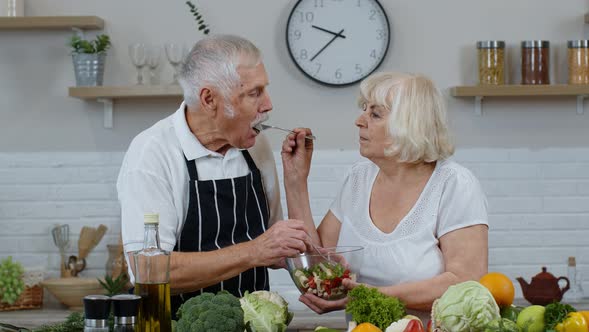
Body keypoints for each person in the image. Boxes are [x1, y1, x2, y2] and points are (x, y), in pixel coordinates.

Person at [116, 35, 310, 318]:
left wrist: (296, 181)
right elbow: (148, 270)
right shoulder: (152, 153)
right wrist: (254, 251)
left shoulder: (257, 147)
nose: (268, 105)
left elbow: (278, 247)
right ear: (209, 99)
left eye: (264, 90)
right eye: (254, 93)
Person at [281, 72, 489, 320]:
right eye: (364, 109)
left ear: (410, 125)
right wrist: (296, 180)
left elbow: (465, 282)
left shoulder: (454, 184)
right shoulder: (358, 179)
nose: (360, 120)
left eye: (375, 114)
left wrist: (373, 295)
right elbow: (319, 265)